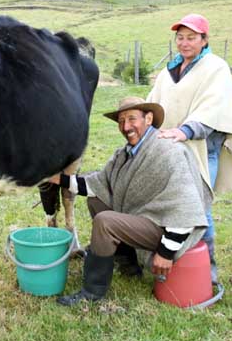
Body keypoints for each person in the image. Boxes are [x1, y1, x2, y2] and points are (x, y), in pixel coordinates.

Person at [50, 96, 211, 306]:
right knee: (97, 200)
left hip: (166, 227)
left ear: (149, 118)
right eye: (121, 121)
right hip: (145, 217)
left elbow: (185, 208)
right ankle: (128, 262)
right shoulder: (125, 153)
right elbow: (96, 185)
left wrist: (166, 252)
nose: (126, 126)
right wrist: (55, 179)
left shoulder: (168, 151)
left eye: (132, 119)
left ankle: (92, 292)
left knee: (105, 222)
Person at [147, 13, 232, 283]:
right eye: (180, 38)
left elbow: (213, 109)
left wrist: (185, 131)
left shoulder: (216, 68)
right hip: (170, 150)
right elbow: (154, 105)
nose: (184, 43)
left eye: (191, 38)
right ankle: (163, 267)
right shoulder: (170, 70)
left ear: (204, 40)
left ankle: (207, 275)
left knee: (197, 209)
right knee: (167, 205)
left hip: (203, 149)